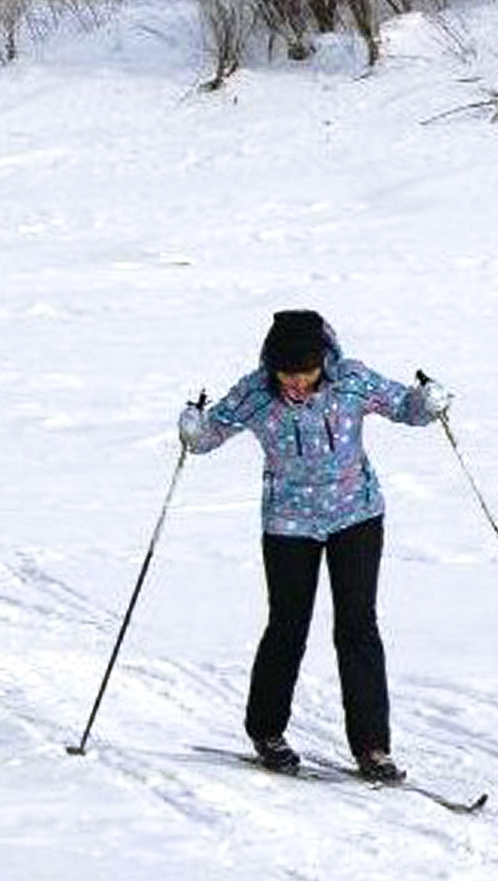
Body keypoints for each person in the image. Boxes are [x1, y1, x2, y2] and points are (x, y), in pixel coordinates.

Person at [178, 309, 449, 783]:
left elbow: (406, 407)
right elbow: (207, 437)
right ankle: (266, 732)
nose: (297, 383)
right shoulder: (255, 395)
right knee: (287, 626)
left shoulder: (351, 382)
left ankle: (372, 747)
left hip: (357, 515)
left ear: (323, 360)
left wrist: (429, 402)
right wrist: (192, 425)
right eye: (287, 373)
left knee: (358, 627)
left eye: (306, 372)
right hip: (288, 524)